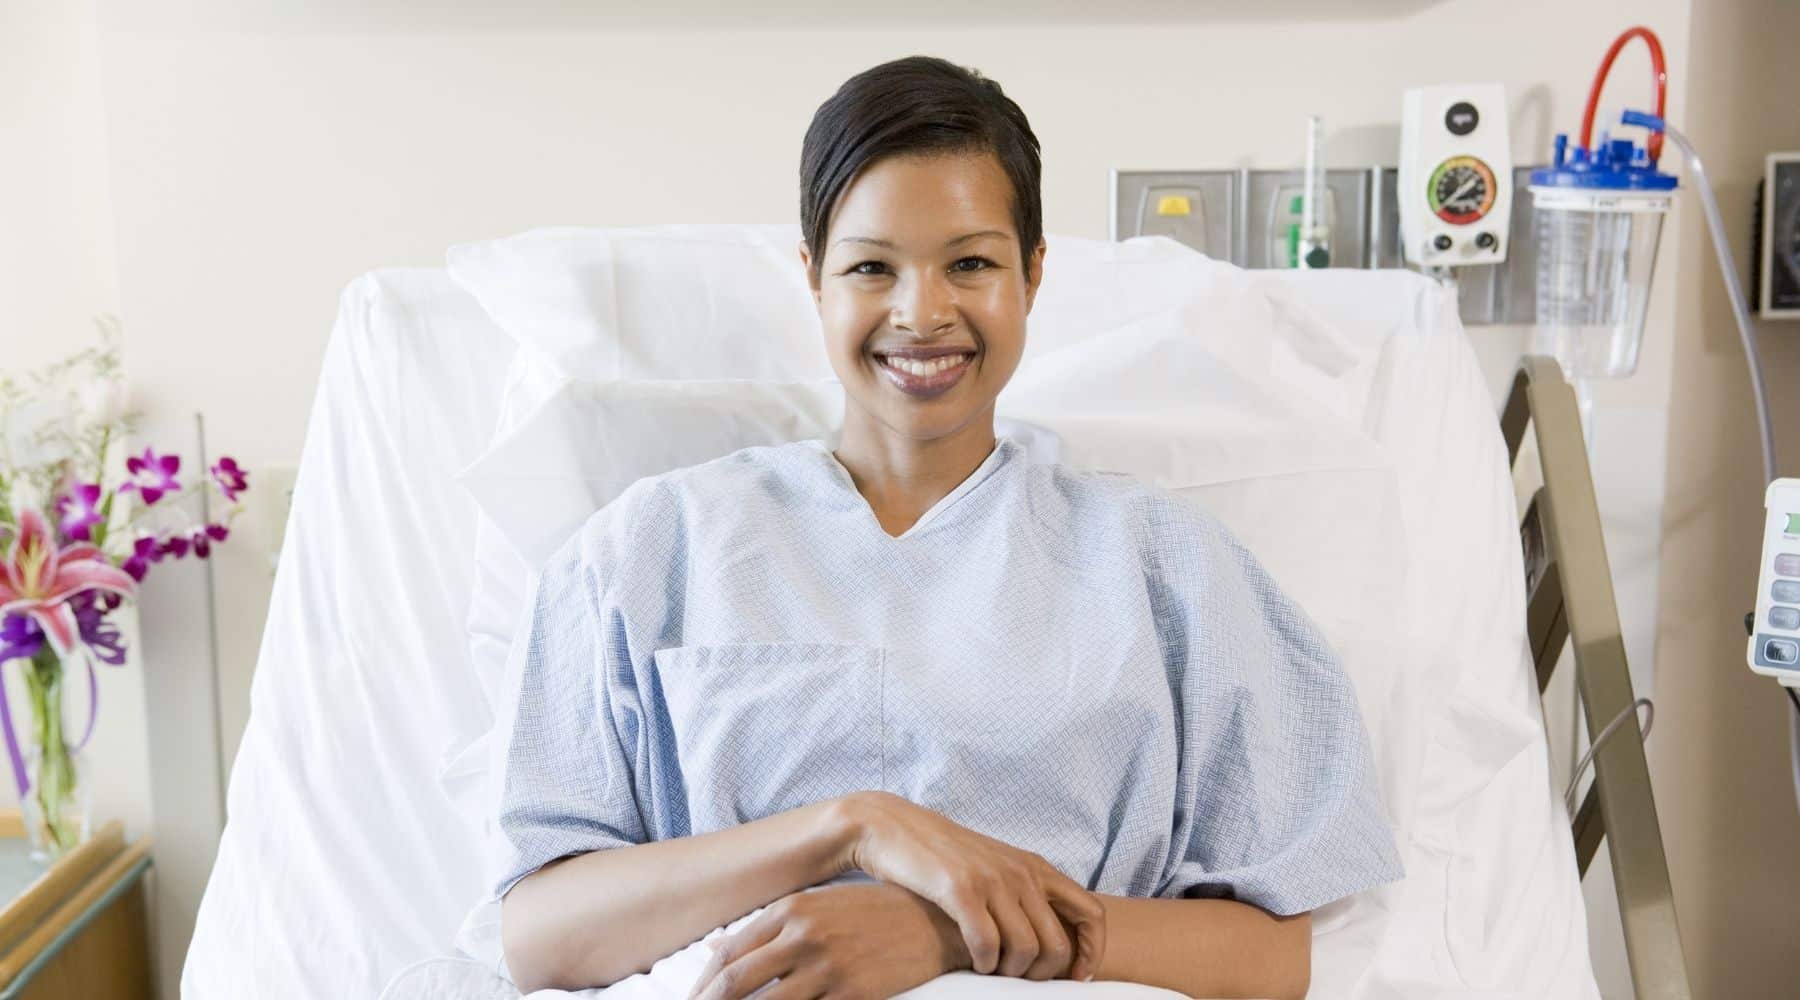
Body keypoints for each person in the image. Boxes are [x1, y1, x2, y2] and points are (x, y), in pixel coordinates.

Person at [489, 55, 1403, 1000]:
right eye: (871, 267)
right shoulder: (653, 547)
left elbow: (1271, 957)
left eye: (969, 262)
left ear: (1033, 273)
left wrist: (947, 935)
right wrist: (853, 826)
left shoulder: (1164, 567)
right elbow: (542, 936)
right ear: (814, 279)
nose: (921, 313)